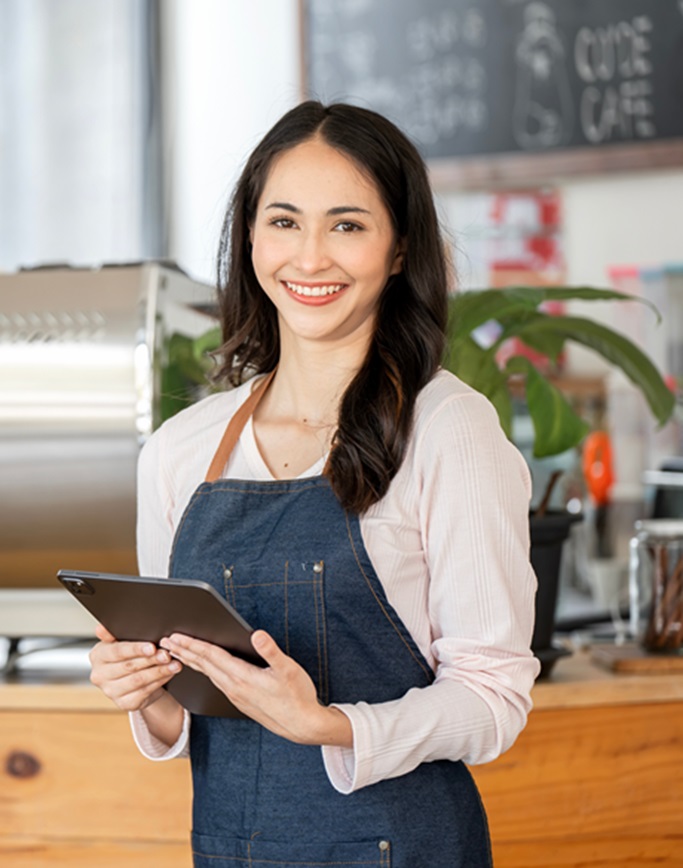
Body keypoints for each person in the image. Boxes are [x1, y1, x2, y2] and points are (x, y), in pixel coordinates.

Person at [89, 100, 540, 867]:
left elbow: (493, 699)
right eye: (284, 222)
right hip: (231, 847)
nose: (309, 259)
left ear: (399, 249)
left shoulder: (447, 431)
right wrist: (146, 688)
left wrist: (328, 724)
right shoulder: (181, 450)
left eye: (348, 225)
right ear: (251, 237)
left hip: (405, 848)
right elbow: (187, 716)